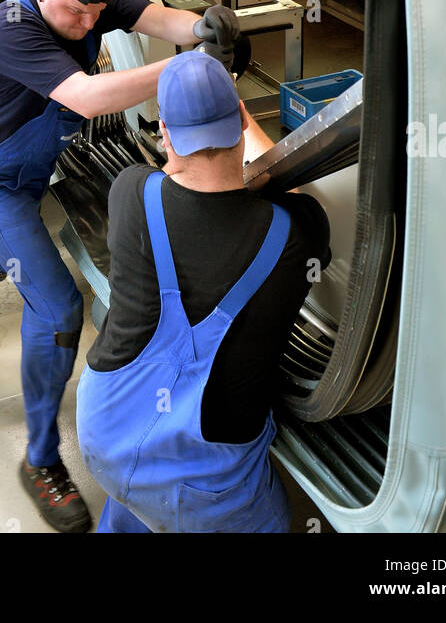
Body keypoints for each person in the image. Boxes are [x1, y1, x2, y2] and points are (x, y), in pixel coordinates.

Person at [0, 0, 238, 533]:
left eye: (94, 11)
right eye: (74, 12)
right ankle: (39, 461)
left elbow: (157, 17)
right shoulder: (11, 28)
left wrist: (203, 26)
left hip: (26, 171)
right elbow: (84, 98)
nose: (88, 22)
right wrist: (187, 67)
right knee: (56, 306)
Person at [76, 50, 331, 534]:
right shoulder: (297, 235)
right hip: (204, 480)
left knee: (135, 494)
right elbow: (291, 192)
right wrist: (241, 121)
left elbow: (176, 183)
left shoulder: (132, 193)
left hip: (105, 432)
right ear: (238, 119)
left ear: (165, 132)